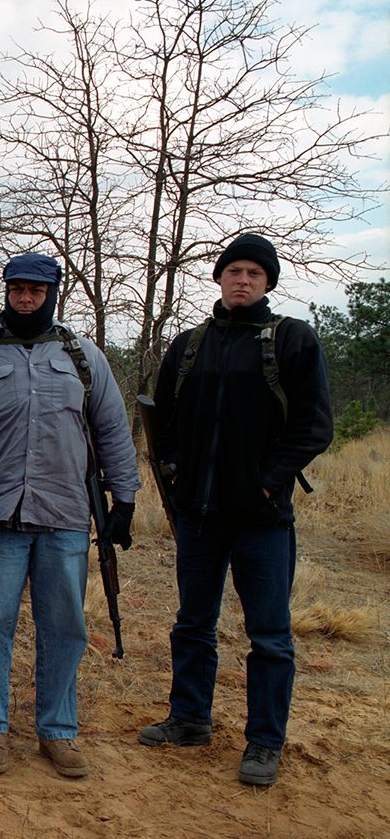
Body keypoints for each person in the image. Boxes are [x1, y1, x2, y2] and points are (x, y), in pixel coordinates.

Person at [138, 234, 333, 786]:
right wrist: (174, 472)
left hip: (263, 522)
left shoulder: (290, 340)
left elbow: (315, 426)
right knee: (193, 624)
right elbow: (163, 421)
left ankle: (265, 742)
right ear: (219, 278)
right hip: (199, 517)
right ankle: (189, 719)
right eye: (233, 271)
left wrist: (268, 484)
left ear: (267, 282)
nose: (242, 280)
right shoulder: (189, 346)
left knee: (269, 635)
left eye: (253, 273)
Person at [0, 254, 139, 778]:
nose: (25, 298)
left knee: (65, 627)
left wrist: (124, 500)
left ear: (52, 292)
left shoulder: (82, 356)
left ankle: (58, 732)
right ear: (6, 292)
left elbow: (113, 429)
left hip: (65, 517)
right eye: (17, 289)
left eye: (35, 290)